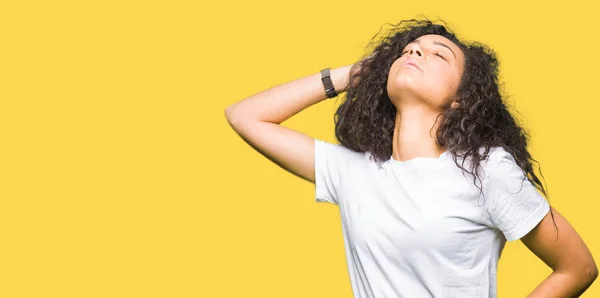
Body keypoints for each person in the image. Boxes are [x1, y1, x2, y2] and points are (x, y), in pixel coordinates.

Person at [224, 18, 597, 297]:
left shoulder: (485, 170)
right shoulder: (354, 171)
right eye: (407, 51)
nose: (415, 51)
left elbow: (577, 268)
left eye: (439, 54)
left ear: (460, 98)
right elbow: (244, 116)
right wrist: (353, 74)